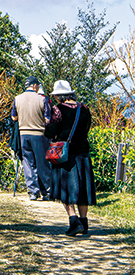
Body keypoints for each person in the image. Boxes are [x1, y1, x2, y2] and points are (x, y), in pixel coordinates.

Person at [44, 79, 97, 236]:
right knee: (83, 188)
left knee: (66, 187)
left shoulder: (58, 110)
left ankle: (73, 220)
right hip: (83, 153)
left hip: (65, 154)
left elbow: (48, 132)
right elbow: (87, 128)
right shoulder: (84, 109)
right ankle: (84, 222)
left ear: (59, 96)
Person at [11, 75, 52, 200]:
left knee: (28, 163)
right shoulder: (42, 99)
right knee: (42, 163)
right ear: (35, 86)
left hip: (24, 134)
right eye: (38, 85)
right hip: (39, 134)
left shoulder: (17, 99)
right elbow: (48, 118)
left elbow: (14, 117)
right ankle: (46, 191)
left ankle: (33, 191)